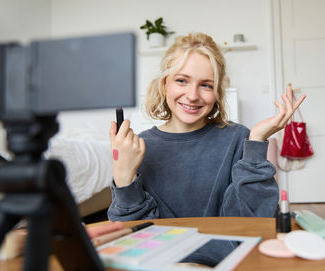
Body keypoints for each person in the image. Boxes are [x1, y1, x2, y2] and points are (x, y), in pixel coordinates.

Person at [107, 33, 305, 221]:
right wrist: (123, 176)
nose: (193, 95)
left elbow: (256, 218)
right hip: (165, 255)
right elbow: (134, 231)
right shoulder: (139, 148)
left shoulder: (239, 138)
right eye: (181, 80)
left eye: (206, 85)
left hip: (229, 254)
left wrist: (256, 142)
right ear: (164, 84)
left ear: (217, 92)